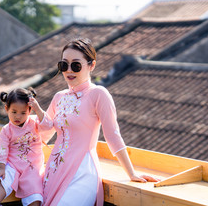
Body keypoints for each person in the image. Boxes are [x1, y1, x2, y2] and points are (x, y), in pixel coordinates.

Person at [29, 38, 159, 206]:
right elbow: (43, 136)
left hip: (82, 173)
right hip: (54, 173)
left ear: (92, 65)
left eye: (76, 65)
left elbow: (113, 135)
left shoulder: (98, 94)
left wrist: (131, 173)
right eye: (64, 65)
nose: (69, 70)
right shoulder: (58, 97)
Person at [0, 88, 50, 206]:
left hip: (33, 166)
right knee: (4, 178)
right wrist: (1, 168)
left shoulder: (35, 122)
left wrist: (38, 109)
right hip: (13, 164)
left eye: (23, 113)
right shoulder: (6, 130)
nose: (18, 116)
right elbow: (2, 150)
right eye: (14, 112)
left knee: (35, 190)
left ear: (29, 111)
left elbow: (48, 126)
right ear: (7, 109)